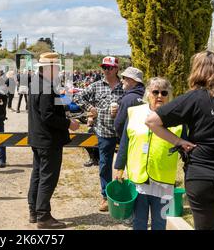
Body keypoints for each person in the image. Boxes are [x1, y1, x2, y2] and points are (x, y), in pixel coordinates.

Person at [146, 51, 214, 230]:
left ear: (197, 71)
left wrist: (179, 142)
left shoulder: (193, 98)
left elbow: (151, 121)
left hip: (200, 176)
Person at [114, 77, 185, 230]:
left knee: (160, 222)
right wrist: (119, 167)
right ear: (148, 94)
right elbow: (125, 142)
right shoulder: (134, 113)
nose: (159, 96)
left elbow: (186, 147)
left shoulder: (178, 118)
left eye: (164, 93)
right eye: (155, 92)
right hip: (138, 178)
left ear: (169, 95)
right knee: (139, 221)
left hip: (164, 180)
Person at [28, 52, 80, 229]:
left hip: (39, 138)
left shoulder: (37, 83)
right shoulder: (45, 87)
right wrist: (68, 124)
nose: (58, 70)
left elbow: (49, 108)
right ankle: (43, 216)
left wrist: (66, 103)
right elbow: (48, 115)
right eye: (56, 67)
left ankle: (34, 211)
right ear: (49, 68)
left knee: (38, 175)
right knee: (47, 178)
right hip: (48, 140)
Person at [74, 56, 124, 211]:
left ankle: (127, 195)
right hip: (103, 131)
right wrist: (89, 108)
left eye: (109, 68)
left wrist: (122, 109)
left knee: (127, 165)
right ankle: (105, 197)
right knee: (104, 165)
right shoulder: (96, 86)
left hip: (123, 131)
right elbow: (77, 97)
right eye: (104, 68)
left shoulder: (125, 86)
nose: (106, 71)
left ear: (116, 69)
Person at [114, 67, 145, 138]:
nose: (121, 80)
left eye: (124, 78)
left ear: (131, 80)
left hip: (130, 139)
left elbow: (119, 124)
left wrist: (123, 139)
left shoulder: (128, 99)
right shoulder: (148, 96)